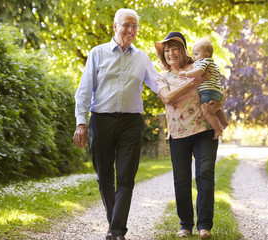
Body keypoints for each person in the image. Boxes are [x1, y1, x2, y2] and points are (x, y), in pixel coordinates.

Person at [73, 8, 158, 240]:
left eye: (134, 26)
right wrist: (81, 123)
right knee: (104, 176)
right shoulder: (97, 53)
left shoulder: (142, 57)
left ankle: (117, 232)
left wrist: (186, 84)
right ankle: (115, 223)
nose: (131, 30)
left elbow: (161, 86)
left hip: (131, 122)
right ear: (115, 26)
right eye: (126, 25)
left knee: (126, 177)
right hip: (101, 120)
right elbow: (83, 91)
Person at [155, 32, 225, 239]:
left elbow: (218, 89)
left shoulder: (200, 66)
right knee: (181, 180)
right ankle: (185, 225)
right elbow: (167, 98)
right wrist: (191, 84)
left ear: (183, 50)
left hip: (205, 130)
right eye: (166, 50)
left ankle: (205, 226)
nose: (170, 53)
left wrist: (219, 104)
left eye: (174, 48)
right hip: (178, 134)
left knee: (204, 174)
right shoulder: (162, 76)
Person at [178, 38, 228, 139]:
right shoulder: (213, 64)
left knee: (206, 112)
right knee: (217, 109)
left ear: (206, 54)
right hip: (217, 92)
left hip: (208, 92)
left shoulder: (203, 62)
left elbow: (199, 71)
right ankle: (224, 122)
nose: (194, 57)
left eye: (196, 54)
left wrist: (186, 74)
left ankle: (217, 129)